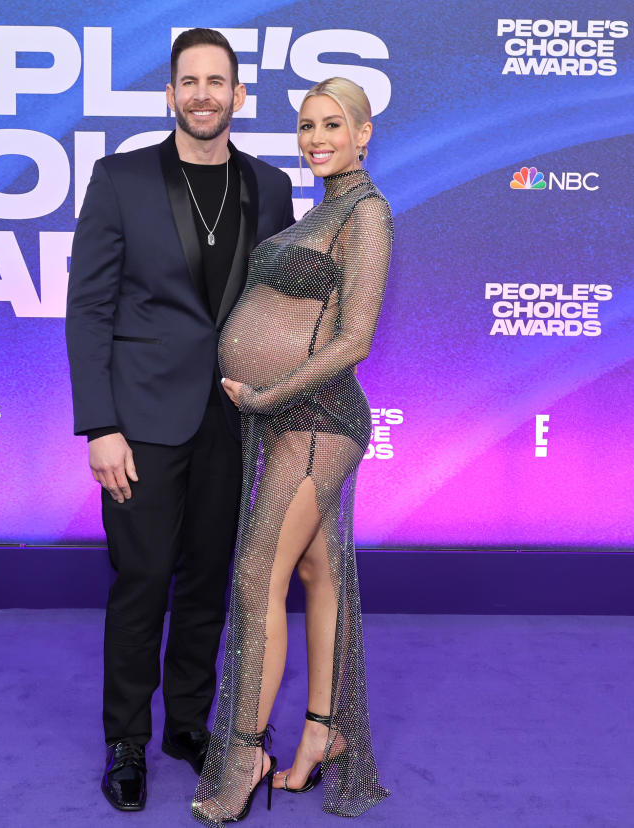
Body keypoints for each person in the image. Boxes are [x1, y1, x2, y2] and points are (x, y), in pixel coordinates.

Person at [66, 28, 296, 813]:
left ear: (238, 96)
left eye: (217, 82)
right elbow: (89, 308)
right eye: (188, 82)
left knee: (208, 584)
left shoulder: (269, 188)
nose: (203, 95)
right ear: (171, 94)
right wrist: (100, 426)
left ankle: (188, 725)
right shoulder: (120, 178)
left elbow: (275, 310)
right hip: (141, 423)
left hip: (231, 422)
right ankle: (126, 739)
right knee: (141, 583)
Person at [191, 77, 393, 824]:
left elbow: (357, 339)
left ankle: (244, 752)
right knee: (317, 568)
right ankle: (324, 733)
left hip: (318, 421)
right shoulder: (325, 209)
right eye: (307, 126)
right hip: (286, 421)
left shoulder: (367, 213)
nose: (316, 138)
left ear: (364, 133)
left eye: (332, 125)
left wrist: (268, 396)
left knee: (255, 576)